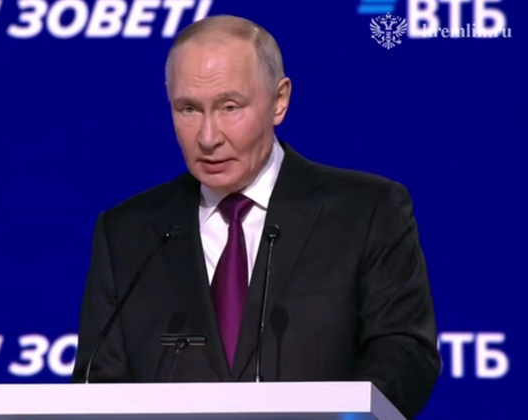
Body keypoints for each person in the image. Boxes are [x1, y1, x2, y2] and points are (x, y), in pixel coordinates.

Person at [71, 14, 440, 420]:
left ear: (279, 101)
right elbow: (98, 386)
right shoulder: (127, 234)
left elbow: (405, 352)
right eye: (188, 109)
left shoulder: (366, 211)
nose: (208, 137)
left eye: (230, 107)